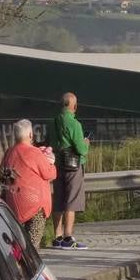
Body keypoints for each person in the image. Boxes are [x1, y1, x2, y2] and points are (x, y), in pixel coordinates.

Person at [0, 119, 57, 245]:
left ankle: (16, 262)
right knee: (32, 245)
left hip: (13, 203)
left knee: (16, 243)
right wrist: (52, 164)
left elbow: (2, 176)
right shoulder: (35, 153)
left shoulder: (9, 153)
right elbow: (49, 174)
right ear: (31, 134)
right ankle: (29, 263)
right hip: (36, 204)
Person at [50, 91, 89, 250]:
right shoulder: (74, 124)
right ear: (74, 106)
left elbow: (50, 141)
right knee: (71, 200)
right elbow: (81, 149)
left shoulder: (53, 121)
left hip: (57, 164)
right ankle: (68, 237)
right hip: (72, 166)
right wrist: (86, 142)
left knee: (58, 198)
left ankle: (57, 237)